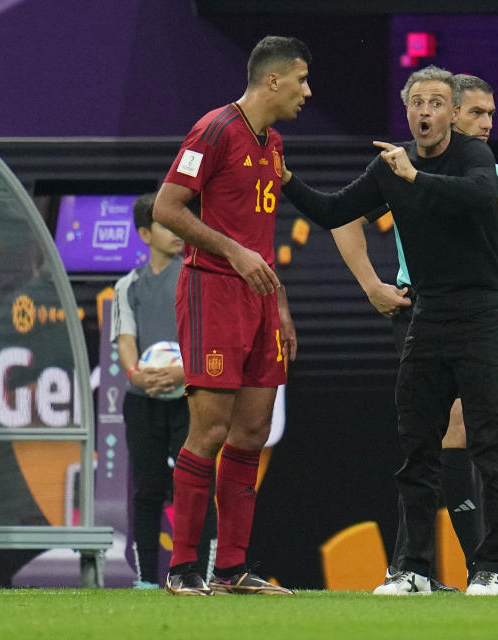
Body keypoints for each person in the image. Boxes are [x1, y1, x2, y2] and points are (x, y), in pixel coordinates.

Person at [281, 65, 498, 596]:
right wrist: (287, 179)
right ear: (407, 111)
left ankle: (492, 568)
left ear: (452, 113)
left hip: (482, 315)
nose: (427, 111)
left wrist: (415, 178)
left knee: (489, 445)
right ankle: (412, 570)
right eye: (418, 103)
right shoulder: (390, 165)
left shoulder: (475, 156)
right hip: (426, 315)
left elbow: (479, 195)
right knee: (417, 449)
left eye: (437, 102)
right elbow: (336, 210)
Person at [152, 35, 307, 597]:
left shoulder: (274, 144)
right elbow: (168, 208)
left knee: (252, 432)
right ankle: (182, 568)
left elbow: (259, 237)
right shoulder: (214, 129)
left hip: (260, 300)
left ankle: (232, 569)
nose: (306, 91)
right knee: (210, 430)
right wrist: (234, 253)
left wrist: (280, 303)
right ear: (273, 80)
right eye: (301, 80)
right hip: (213, 290)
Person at [111, 192, 215, 589]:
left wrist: (183, 372)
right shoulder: (127, 286)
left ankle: (202, 576)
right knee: (148, 491)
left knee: (197, 489)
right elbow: (124, 340)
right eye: (166, 224)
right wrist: (137, 375)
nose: (177, 232)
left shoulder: (196, 279)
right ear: (144, 233)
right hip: (143, 403)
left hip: (189, 400)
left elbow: (206, 338)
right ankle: (145, 581)